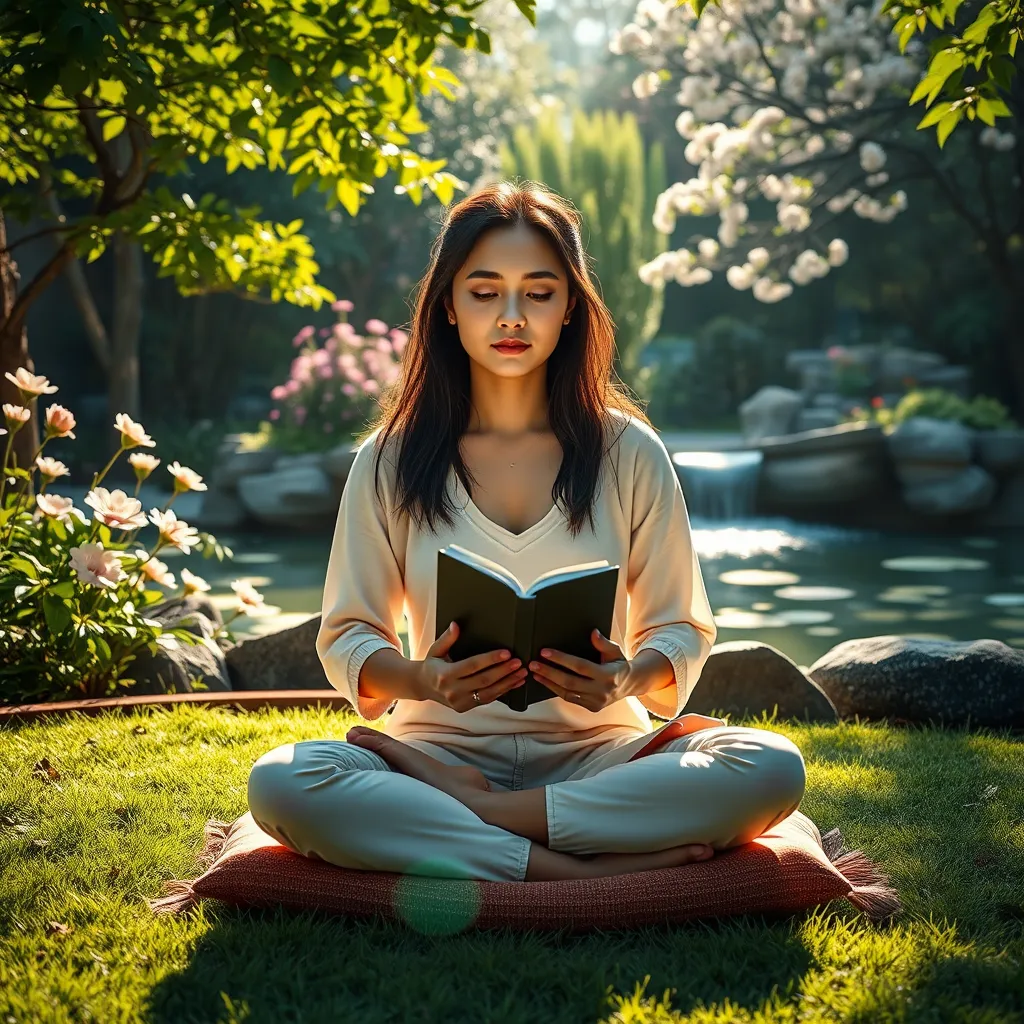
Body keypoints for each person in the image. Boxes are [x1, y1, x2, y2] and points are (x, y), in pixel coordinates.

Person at [247, 179, 807, 883]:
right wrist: (422, 677)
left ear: (571, 306)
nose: (512, 315)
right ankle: (572, 868)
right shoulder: (387, 459)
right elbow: (352, 633)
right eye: (485, 291)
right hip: (436, 755)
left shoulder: (630, 453)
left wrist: (627, 676)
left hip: (599, 759)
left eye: (539, 292)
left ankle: (494, 827)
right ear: (448, 305)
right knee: (283, 781)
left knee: (769, 766)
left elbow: (682, 630)